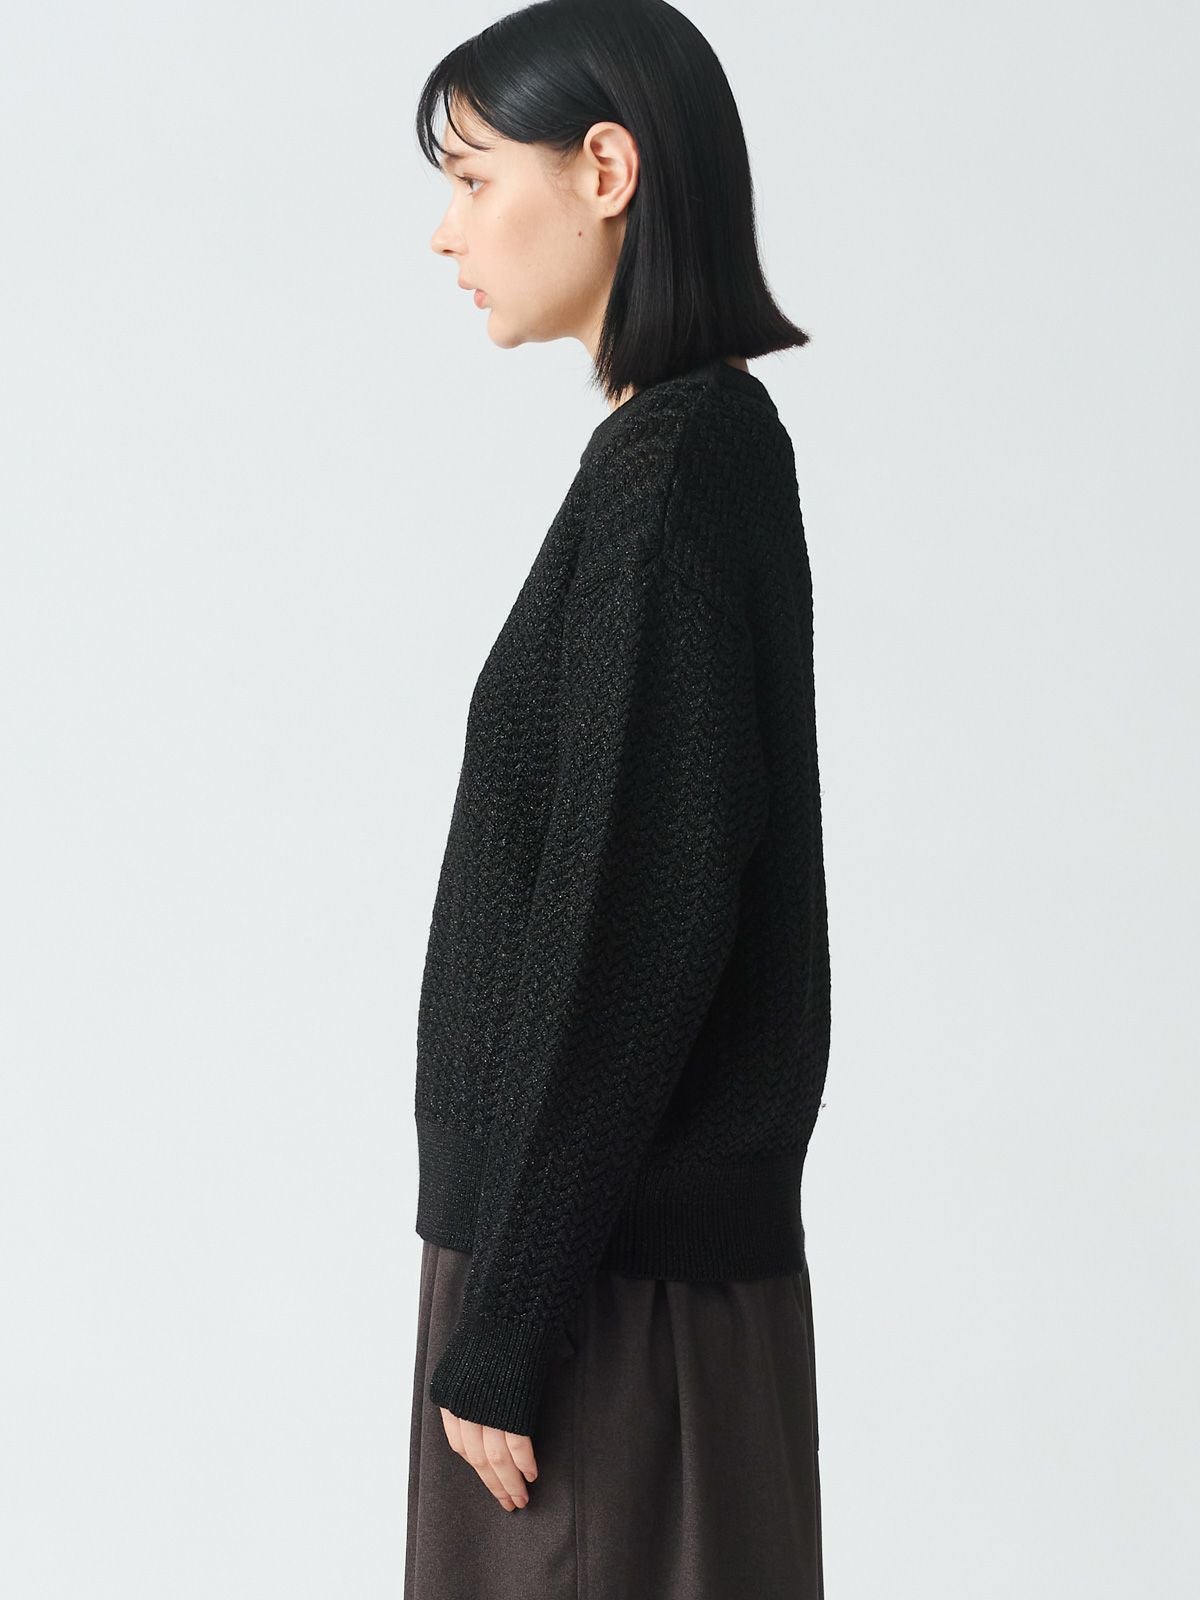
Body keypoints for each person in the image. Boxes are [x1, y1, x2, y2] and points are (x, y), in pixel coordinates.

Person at [405, 3, 830, 1596]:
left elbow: (637, 918)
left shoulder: (670, 476)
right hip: (610, 1272)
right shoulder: (690, 452)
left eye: (472, 177)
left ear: (604, 169)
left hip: (596, 1301)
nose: (447, 231)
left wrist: (509, 1321)